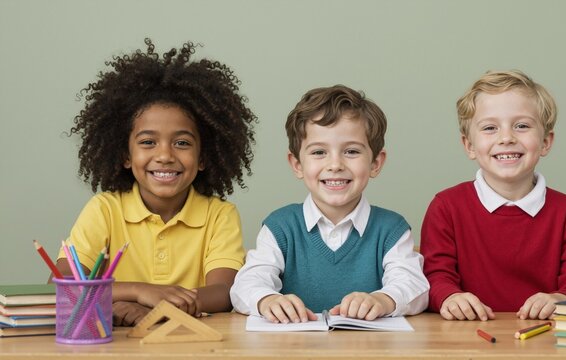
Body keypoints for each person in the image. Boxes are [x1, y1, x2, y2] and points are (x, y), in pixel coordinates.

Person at [55, 38, 257, 326]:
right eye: (148, 142)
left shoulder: (219, 215)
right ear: (126, 154)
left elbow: (223, 292)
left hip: (190, 343)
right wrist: (139, 291)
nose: (164, 155)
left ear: (203, 157)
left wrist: (159, 306)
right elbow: (65, 285)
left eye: (182, 143)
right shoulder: (104, 209)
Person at [230, 85, 429, 323]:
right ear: (297, 165)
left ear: (375, 163)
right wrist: (266, 300)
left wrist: (383, 300)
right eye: (319, 152)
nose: (335, 164)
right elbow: (246, 284)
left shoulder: (391, 229)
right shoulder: (280, 226)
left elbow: (414, 285)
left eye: (352, 151)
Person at [420, 70, 566, 321]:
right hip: (468, 338)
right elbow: (435, 277)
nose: (506, 138)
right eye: (490, 128)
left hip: (544, 341)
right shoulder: (446, 207)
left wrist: (560, 299)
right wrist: (450, 297)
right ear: (469, 145)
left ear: (546, 142)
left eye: (522, 126)